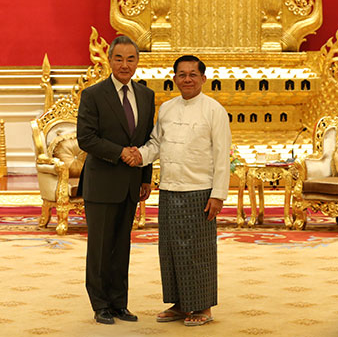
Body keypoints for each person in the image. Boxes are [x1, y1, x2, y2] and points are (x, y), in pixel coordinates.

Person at [124, 55, 231, 326]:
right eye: (181, 75)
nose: (187, 79)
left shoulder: (214, 110)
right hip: (170, 189)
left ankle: (202, 307)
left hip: (200, 191)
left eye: (193, 74)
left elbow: (221, 156)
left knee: (198, 251)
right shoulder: (168, 108)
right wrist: (140, 156)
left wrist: (218, 194)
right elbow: (156, 144)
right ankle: (180, 304)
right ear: (174, 79)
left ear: (203, 78)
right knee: (170, 250)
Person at [76, 35, 155, 325]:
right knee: (99, 248)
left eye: (131, 58)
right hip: (101, 183)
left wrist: (146, 176)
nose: (125, 64)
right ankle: (100, 305)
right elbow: (86, 138)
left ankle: (120, 303)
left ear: (137, 62)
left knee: (122, 246)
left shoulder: (146, 95)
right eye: (119, 58)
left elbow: (147, 139)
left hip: (132, 184)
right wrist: (120, 153)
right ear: (109, 61)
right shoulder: (94, 95)